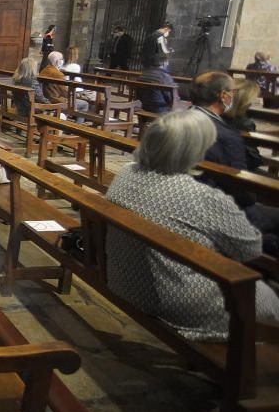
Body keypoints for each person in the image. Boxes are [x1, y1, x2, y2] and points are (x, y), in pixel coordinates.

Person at [104, 109, 279, 340]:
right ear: (196, 150)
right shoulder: (202, 196)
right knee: (270, 300)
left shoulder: (126, 172)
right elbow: (250, 250)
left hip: (126, 282)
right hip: (182, 303)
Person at [190, 71, 278, 252]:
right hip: (217, 209)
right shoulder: (227, 137)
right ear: (223, 95)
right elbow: (243, 195)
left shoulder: (180, 118)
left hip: (193, 198)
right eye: (233, 92)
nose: (234, 96)